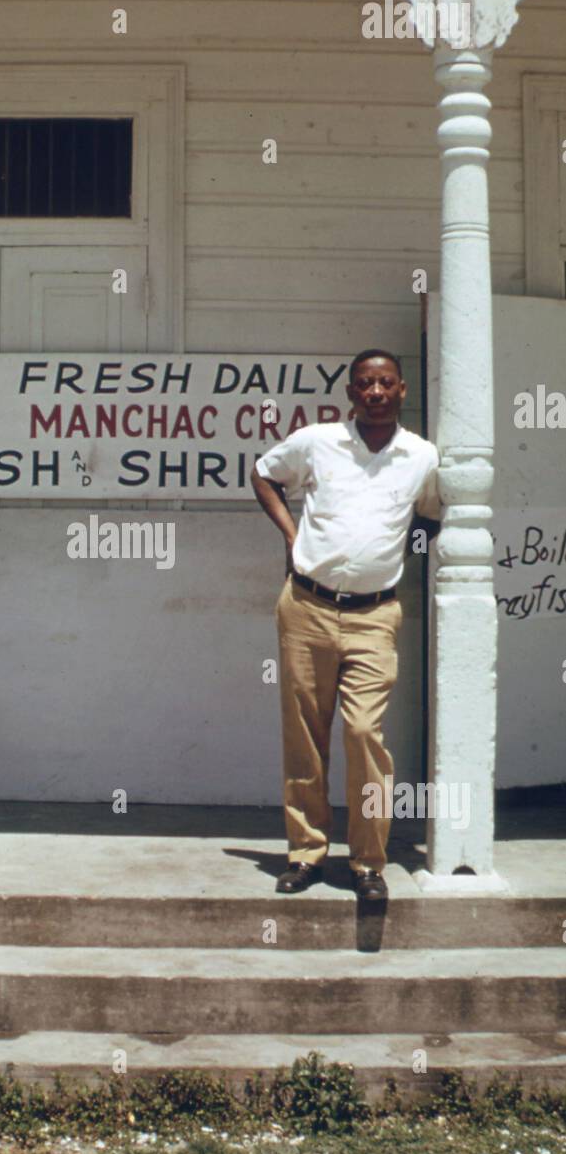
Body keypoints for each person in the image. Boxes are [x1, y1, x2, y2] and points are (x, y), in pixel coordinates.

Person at [250, 349, 441, 900]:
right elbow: (264, 473)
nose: (375, 392)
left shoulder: (421, 456)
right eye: (364, 384)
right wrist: (292, 536)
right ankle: (307, 853)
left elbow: (429, 514)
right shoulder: (317, 443)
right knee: (305, 737)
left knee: (363, 736)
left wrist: (383, 555)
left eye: (385, 383)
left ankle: (367, 863)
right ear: (351, 393)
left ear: (402, 390)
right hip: (306, 608)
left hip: (375, 615)